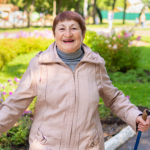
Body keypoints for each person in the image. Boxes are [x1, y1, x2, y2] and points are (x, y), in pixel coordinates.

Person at [0, 11, 149, 150]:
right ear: (54, 34)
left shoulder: (95, 64)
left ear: (83, 33)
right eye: (62, 28)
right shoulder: (39, 64)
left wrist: (134, 116)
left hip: (88, 145)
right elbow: (16, 103)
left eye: (74, 28)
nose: (68, 34)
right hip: (47, 145)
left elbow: (114, 99)